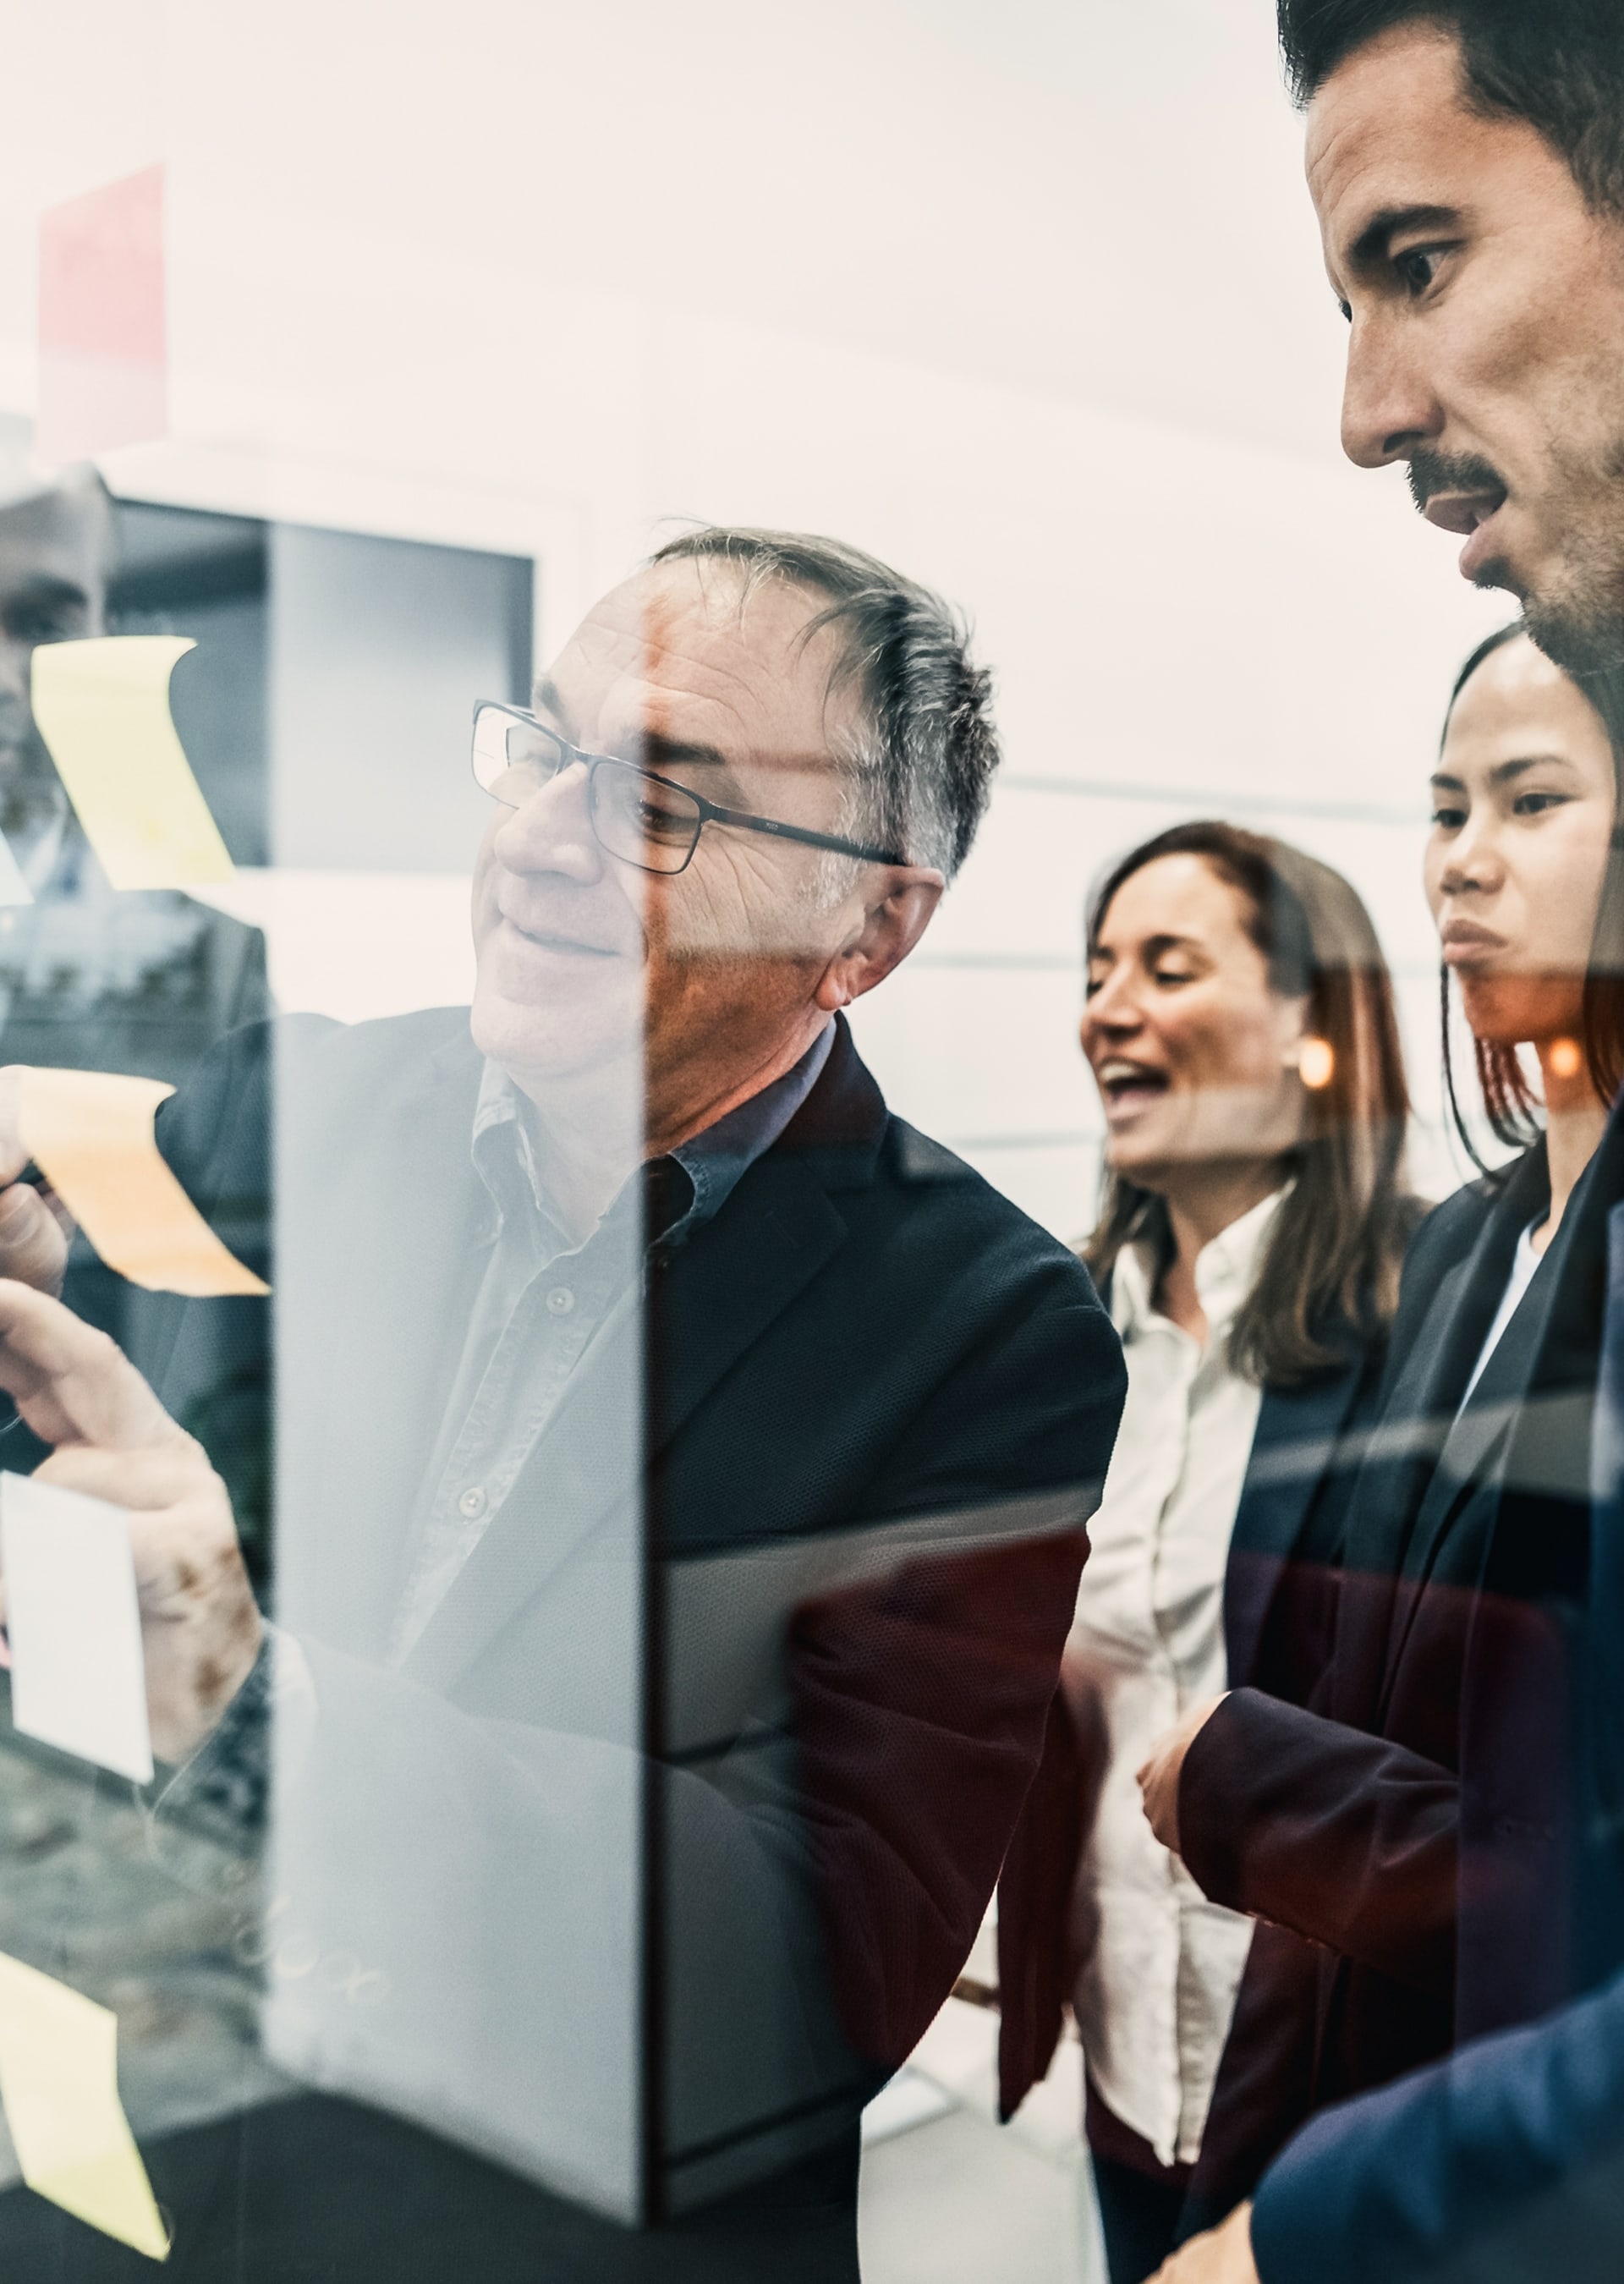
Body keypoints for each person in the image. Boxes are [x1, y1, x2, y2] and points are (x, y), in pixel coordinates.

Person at [0, 526, 1126, 2282]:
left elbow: (822, 1961)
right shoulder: (287, 1113)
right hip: (150, 2185)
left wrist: (257, 1702)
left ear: (869, 923)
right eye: (541, 750)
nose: (536, 841)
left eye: (659, 800)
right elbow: (70, 1515)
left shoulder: (985, 1330)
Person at [1145, 8, 1624, 2266]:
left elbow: (1532, 1833)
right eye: (1443, 807)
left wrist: (1232, 1777)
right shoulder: (1464, 1255)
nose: (1362, 410)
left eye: (1418, 260)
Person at [998, 821, 1414, 2284]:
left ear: (1316, 1026)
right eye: (1098, 969)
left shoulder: (1430, 1321)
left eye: (1168, 967)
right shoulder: (1056, 1343)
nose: (1108, 1007)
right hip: (1123, 2071)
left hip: (1332, 2092)